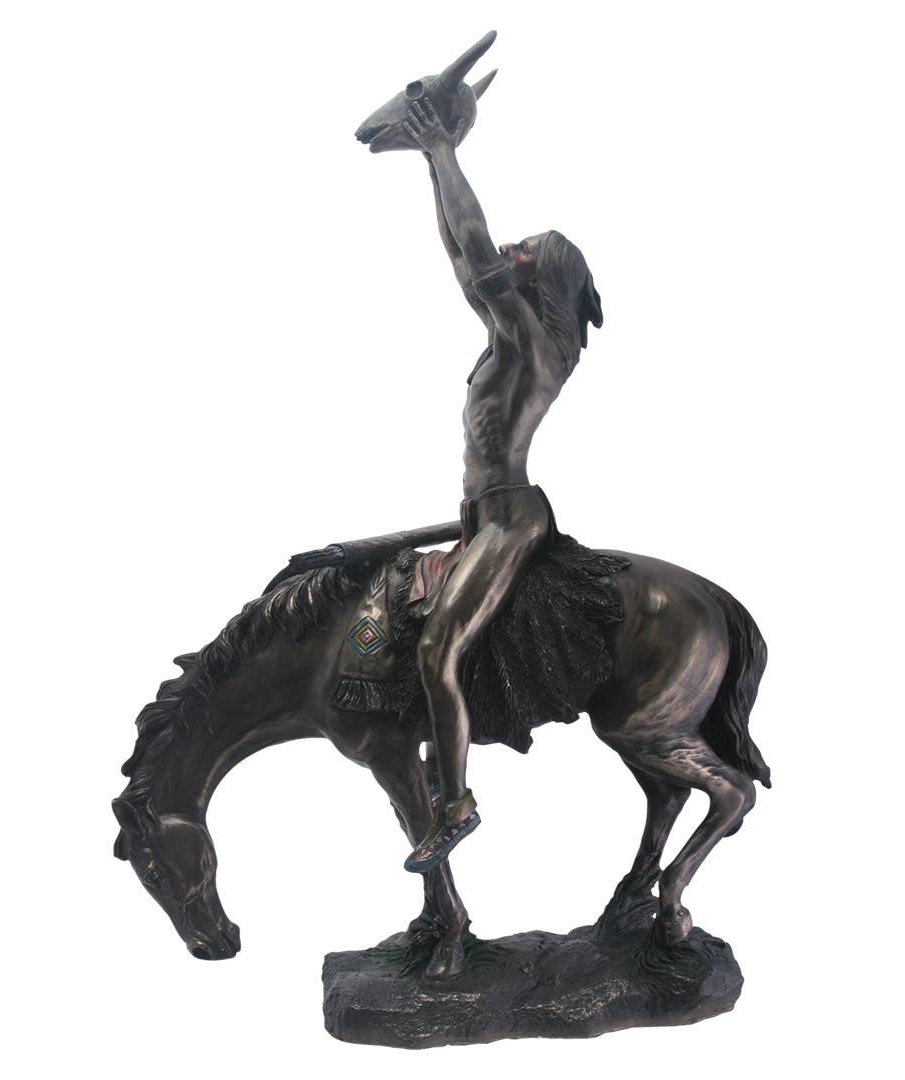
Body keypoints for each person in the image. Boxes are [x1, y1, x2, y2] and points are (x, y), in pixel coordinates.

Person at [402, 98, 604, 872]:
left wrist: (446, 151)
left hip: (513, 518)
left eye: (522, 250)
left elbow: (479, 254)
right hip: (480, 515)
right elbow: (463, 258)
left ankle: (454, 804)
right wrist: (431, 161)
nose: (505, 251)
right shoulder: (506, 337)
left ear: (541, 277)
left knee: (437, 649)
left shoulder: (532, 344)